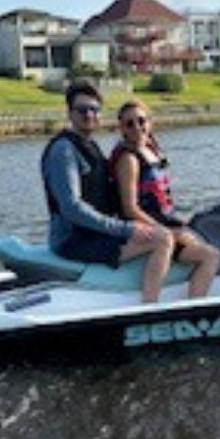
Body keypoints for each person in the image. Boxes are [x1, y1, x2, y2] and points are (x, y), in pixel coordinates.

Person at [40, 80, 177, 303]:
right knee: (162, 239)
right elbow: (71, 208)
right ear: (70, 113)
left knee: (168, 230)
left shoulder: (89, 145)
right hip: (73, 240)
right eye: (82, 110)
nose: (89, 115)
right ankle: (150, 308)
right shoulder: (63, 151)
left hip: (92, 232)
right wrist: (125, 228)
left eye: (94, 109)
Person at [111, 99, 220, 298]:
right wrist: (167, 231)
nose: (137, 127)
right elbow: (129, 208)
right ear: (122, 129)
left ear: (150, 123)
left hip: (163, 222)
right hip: (143, 228)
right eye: (129, 123)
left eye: (141, 121)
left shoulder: (151, 150)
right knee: (210, 255)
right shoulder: (129, 160)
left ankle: (193, 305)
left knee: (206, 247)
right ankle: (153, 305)